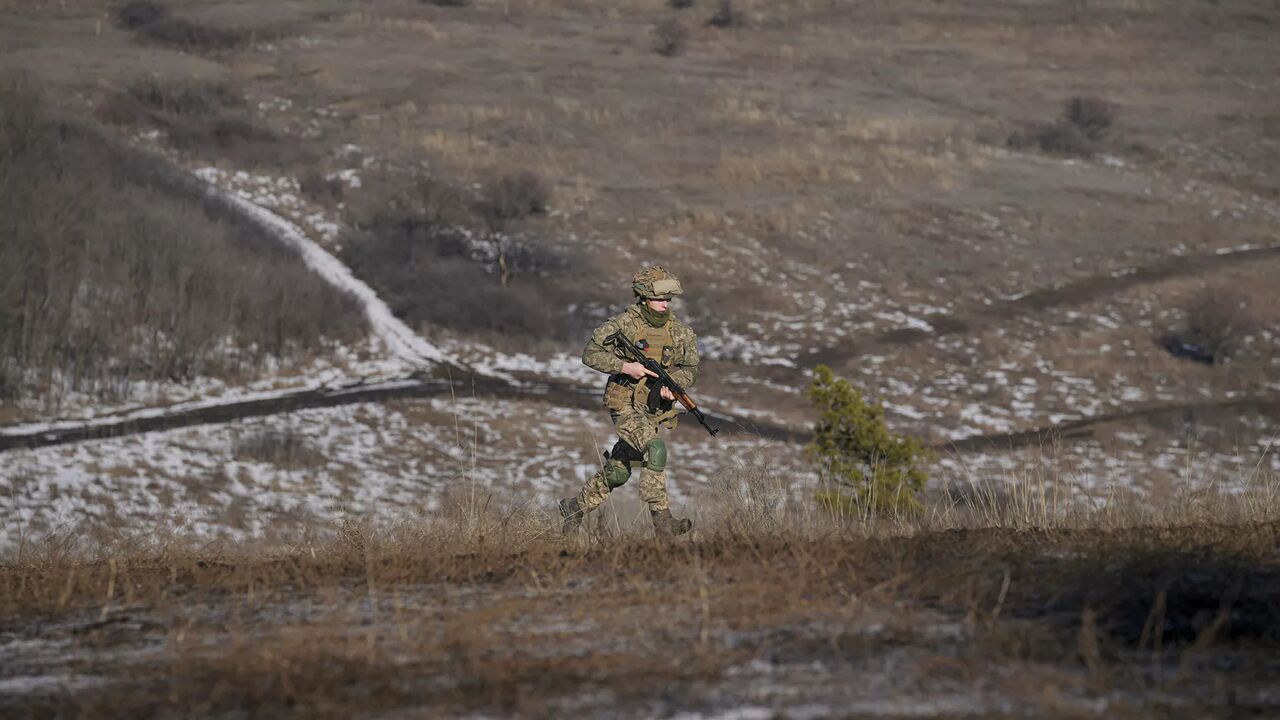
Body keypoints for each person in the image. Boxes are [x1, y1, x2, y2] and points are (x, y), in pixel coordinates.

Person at [559, 266, 700, 538]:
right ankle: (663, 524)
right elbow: (590, 354)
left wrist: (674, 384)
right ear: (644, 296)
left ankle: (574, 508)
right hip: (623, 404)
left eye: (669, 299)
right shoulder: (623, 324)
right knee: (655, 449)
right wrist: (625, 367)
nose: (665, 303)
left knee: (618, 473)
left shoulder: (681, 332)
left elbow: (690, 368)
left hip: (653, 410)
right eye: (660, 298)